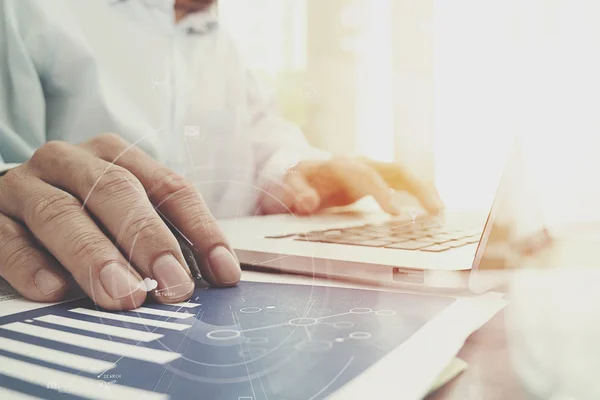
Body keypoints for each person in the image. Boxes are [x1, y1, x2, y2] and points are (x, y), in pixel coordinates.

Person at [0, 0, 443, 310]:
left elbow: (265, 143)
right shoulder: (28, 11)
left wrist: (299, 172)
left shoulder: (218, 38)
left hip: (221, 297)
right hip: (88, 303)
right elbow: (12, 183)